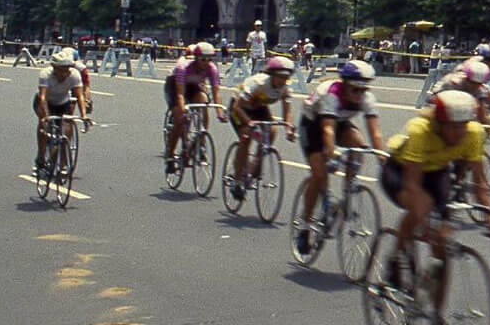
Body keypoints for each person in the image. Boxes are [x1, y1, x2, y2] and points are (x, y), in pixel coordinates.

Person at [380, 90, 490, 323]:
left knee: (442, 246)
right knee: (421, 207)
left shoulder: (474, 133)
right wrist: (426, 224)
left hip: (437, 172)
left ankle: (437, 316)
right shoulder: (421, 130)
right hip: (400, 171)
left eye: (463, 126)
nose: (459, 133)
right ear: (439, 123)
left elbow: (480, 182)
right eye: (452, 127)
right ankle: (395, 258)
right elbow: (413, 186)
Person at [294, 60, 385, 253]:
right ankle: (305, 225)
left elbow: (375, 133)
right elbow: (327, 129)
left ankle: (348, 190)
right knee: (319, 175)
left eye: (363, 91)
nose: (360, 96)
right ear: (344, 85)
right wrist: (333, 154)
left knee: (359, 145)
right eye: (355, 91)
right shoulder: (331, 94)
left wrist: (383, 159)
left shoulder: (366, 98)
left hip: (340, 122)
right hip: (313, 125)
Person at [226, 54, 298, 199]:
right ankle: (237, 180)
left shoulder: (285, 88)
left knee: (271, 132)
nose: (284, 80)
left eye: (287, 77)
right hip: (240, 108)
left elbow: (287, 111)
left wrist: (288, 128)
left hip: (259, 108)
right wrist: (248, 122)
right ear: (272, 75)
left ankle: (255, 165)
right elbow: (237, 107)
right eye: (281, 76)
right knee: (246, 137)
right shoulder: (257, 83)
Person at [33, 47, 92, 176]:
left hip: (62, 102)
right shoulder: (46, 74)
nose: (64, 74)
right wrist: (46, 117)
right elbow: (43, 97)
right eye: (61, 70)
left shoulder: (74, 75)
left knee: (67, 129)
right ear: (54, 68)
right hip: (45, 102)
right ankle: (41, 155)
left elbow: (80, 96)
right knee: (44, 126)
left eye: (67, 70)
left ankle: (63, 165)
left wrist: (83, 115)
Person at [164, 43, 221, 175]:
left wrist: (219, 112)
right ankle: (170, 155)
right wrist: (182, 108)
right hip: (175, 86)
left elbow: (216, 92)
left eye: (209, 59)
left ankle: (201, 139)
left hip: (193, 86)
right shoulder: (183, 66)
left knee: (204, 101)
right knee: (179, 119)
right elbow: (180, 93)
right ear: (196, 58)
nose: (206, 63)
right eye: (203, 59)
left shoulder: (212, 68)